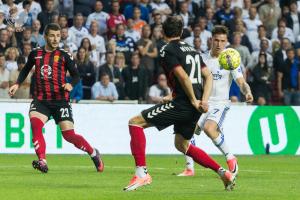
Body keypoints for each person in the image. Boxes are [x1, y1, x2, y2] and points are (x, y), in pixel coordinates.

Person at [123, 16, 236, 192]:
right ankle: (223, 173)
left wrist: (191, 99)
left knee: (135, 123)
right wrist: (203, 101)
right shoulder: (192, 50)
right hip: (193, 107)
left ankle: (141, 173)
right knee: (182, 145)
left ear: (162, 33)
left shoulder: (167, 49)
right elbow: (208, 77)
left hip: (183, 104)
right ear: (182, 32)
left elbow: (183, 76)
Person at [8, 23, 104, 173]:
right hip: (41, 100)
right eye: (52, 35)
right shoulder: (35, 53)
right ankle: (42, 161)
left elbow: (76, 76)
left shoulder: (65, 55)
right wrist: (17, 84)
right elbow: (26, 69)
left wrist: (70, 84)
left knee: (69, 135)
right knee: (36, 125)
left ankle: (93, 153)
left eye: (58, 36)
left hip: (60, 101)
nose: (55, 39)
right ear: (45, 36)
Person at [178, 25, 253, 177]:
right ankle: (189, 168)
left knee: (209, 128)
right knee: (186, 132)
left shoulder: (230, 59)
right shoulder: (201, 58)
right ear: (211, 40)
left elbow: (241, 82)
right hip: (203, 102)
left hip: (220, 103)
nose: (219, 44)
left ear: (227, 42)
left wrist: (248, 92)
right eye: (216, 40)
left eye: (223, 41)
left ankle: (230, 158)